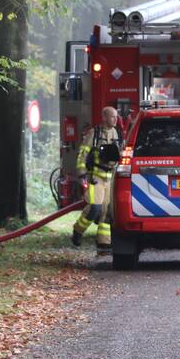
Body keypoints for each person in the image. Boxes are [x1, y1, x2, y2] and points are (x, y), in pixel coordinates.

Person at [72, 106, 122, 254]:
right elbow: (83, 154)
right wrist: (82, 174)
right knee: (95, 208)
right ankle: (78, 231)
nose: (116, 119)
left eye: (116, 116)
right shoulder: (93, 134)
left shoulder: (116, 133)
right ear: (104, 117)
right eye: (112, 117)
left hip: (110, 179)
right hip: (96, 178)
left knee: (107, 213)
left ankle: (103, 242)